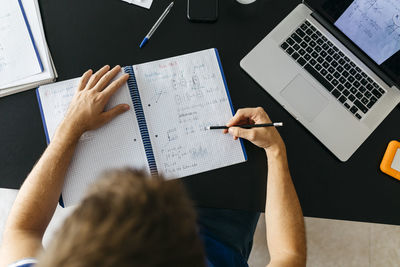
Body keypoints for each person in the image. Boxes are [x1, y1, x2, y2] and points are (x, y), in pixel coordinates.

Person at [0, 65, 306, 267]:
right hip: (222, 229)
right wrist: (275, 150)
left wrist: (68, 130)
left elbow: (21, 228)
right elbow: (289, 255)